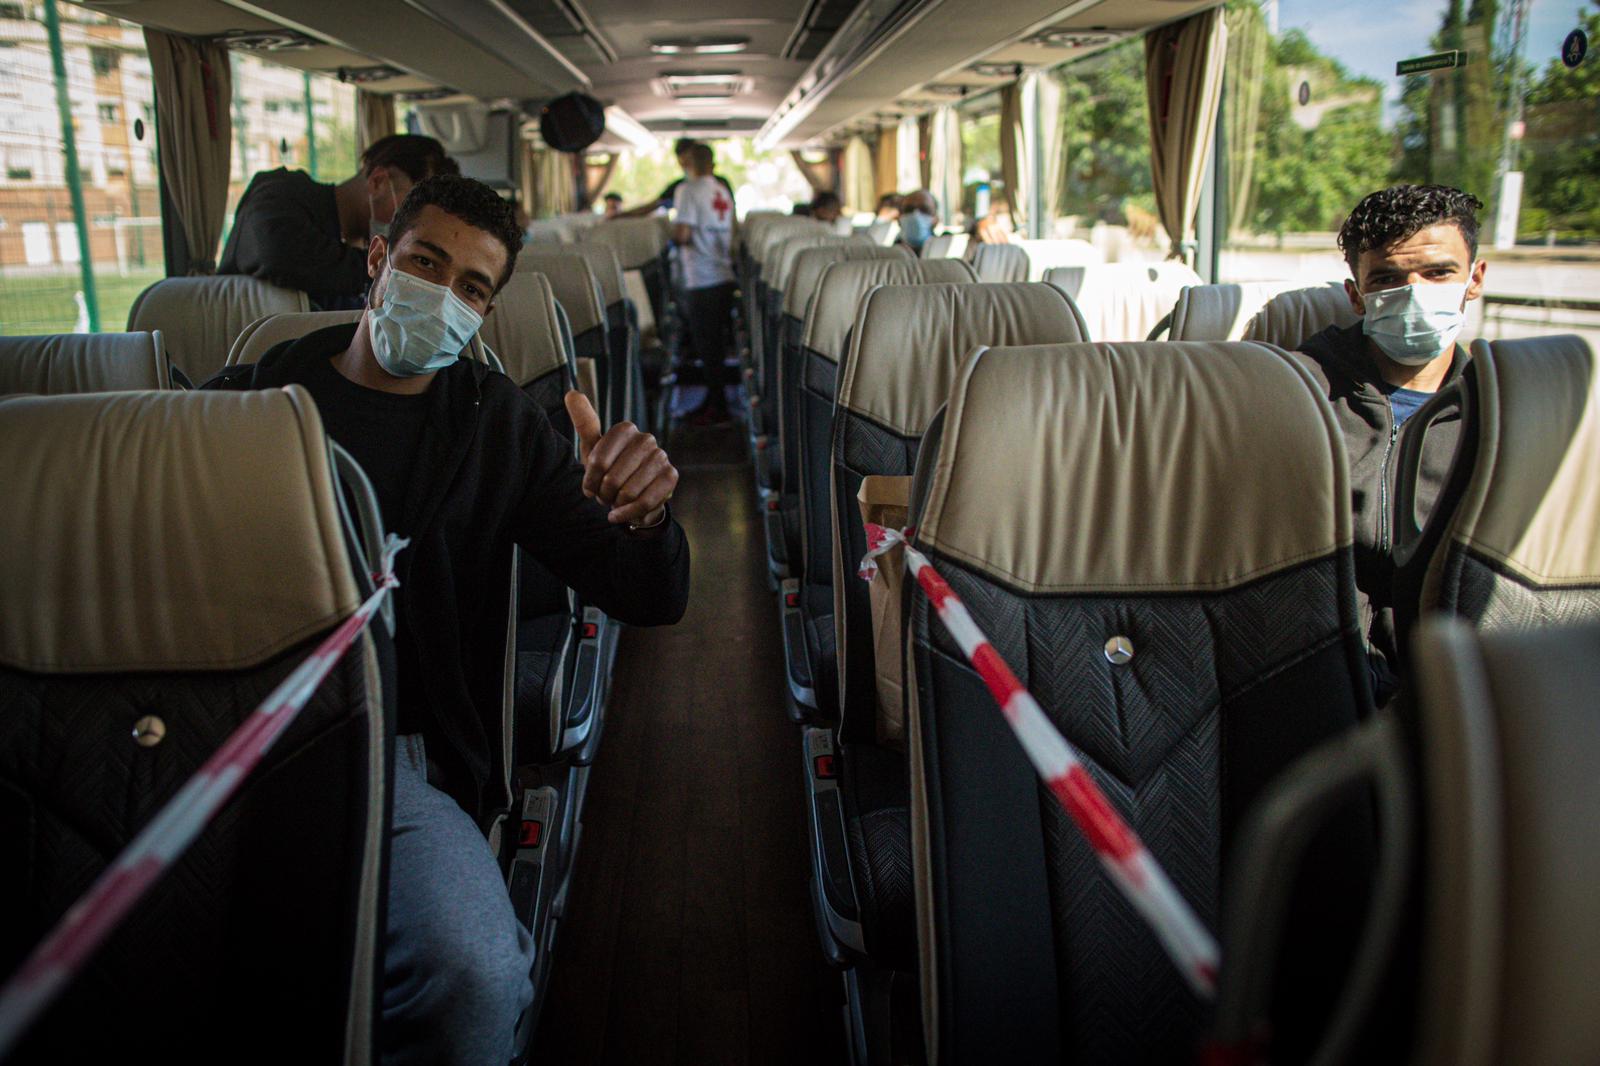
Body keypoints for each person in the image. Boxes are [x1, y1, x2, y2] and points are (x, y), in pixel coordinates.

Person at [206, 174, 690, 1065]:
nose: (444, 295)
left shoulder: (496, 427)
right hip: (222, 737)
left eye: (472, 287)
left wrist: (646, 514)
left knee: (474, 973)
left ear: (486, 313)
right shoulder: (247, 401)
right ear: (379, 260)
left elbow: (648, 597)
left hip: (393, 754)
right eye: (426, 263)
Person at [1296, 183, 1487, 704]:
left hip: (1453, 680)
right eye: (1388, 279)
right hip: (1317, 671)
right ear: (1356, 295)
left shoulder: (1496, 411)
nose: (1416, 293)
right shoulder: (1296, 394)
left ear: (1475, 279)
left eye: (1439, 273)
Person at [219, 133, 458, 309]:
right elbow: (277, 253)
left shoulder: (350, 248)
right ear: (378, 182)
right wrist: (389, 268)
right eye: (411, 209)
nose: (413, 229)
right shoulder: (280, 194)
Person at [672, 142, 737, 424]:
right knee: (717, 346)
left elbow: (683, 234)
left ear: (688, 163)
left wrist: (669, 233)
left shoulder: (688, 190)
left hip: (701, 278)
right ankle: (716, 402)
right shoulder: (722, 190)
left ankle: (717, 407)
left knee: (707, 347)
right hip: (723, 275)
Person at [617, 138, 733, 218]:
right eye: (682, 164)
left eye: (688, 162)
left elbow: (732, 214)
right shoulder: (680, 187)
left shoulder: (721, 184)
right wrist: (620, 216)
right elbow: (652, 206)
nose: (686, 167)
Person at [898, 189, 939, 253]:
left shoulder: (948, 251)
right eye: (909, 209)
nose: (916, 215)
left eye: (924, 209)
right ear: (899, 217)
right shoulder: (884, 254)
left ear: (936, 219)